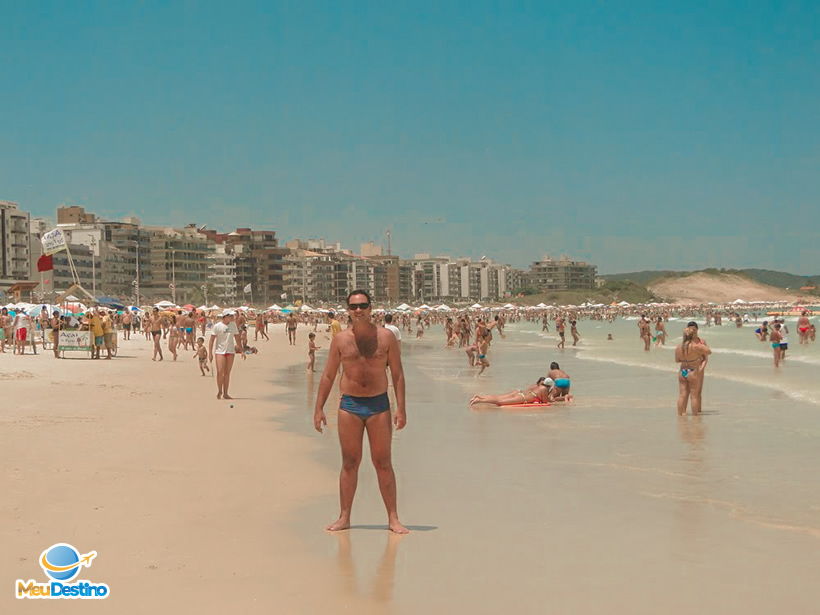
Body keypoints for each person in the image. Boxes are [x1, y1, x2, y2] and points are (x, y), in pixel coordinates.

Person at [313, 290, 408, 534]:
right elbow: (328, 375)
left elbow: (397, 375)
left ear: (370, 308)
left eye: (363, 305)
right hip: (350, 406)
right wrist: (318, 408)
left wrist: (401, 409)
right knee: (350, 463)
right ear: (348, 310)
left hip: (379, 406)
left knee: (383, 462)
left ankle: (393, 518)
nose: (358, 310)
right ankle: (344, 517)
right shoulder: (341, 340)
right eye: (354, 307)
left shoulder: (386, 338)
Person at [675, 326, 712, 415]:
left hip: (683, 371)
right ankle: (695, 417)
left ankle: (680, 415)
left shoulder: (678, 347)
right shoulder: (696, 346)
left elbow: (677, 360)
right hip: (692, 371)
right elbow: (709, 351)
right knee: (694, 396)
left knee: (682, 395)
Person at [208, 310, 242, 400]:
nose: (232, 317)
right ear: (225, 316)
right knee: (220, 372)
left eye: (232, 316)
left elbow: (237, 337)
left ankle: (226, 393)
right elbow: (212, 340)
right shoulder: (217, 326)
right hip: (220, 351)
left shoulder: (233, 325)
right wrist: (210, 353)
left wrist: (241, 349)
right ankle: (220, 390)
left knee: (227, 373)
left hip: (230, 351)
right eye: (230, 316)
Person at [469, 376, 552, 406]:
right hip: (522, 398)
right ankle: (479, 400)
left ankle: (480, 397)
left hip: (521, 395)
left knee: (499, 398)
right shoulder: (544, 389)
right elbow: (545, 402)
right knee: (499, 401)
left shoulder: (539, 386)